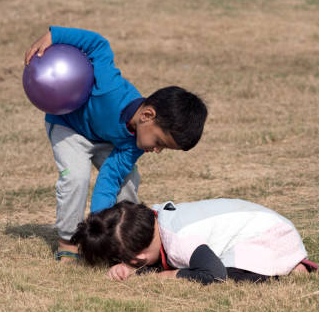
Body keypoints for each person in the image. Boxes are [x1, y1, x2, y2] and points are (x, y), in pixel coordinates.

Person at [24, 26, 208, 262]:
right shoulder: (109, 88)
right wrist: (54, 36)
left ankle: (120, 238)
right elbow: (98, 44)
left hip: (103, 139)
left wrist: (98, 224)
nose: (157, 150)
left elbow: (109, 179)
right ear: (147, 116)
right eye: (160, 142)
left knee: (128, 180)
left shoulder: (134, 144)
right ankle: (67, 241)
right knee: (76, 177)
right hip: (67, 126)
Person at [71, 199, 318, 284]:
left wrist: (160, 276)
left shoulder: (179, 240)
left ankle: (293, 268)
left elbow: (215, 274)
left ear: (139, 259)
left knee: (227, 275)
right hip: (261, 223)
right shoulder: (154, 217)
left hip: (270, 236)